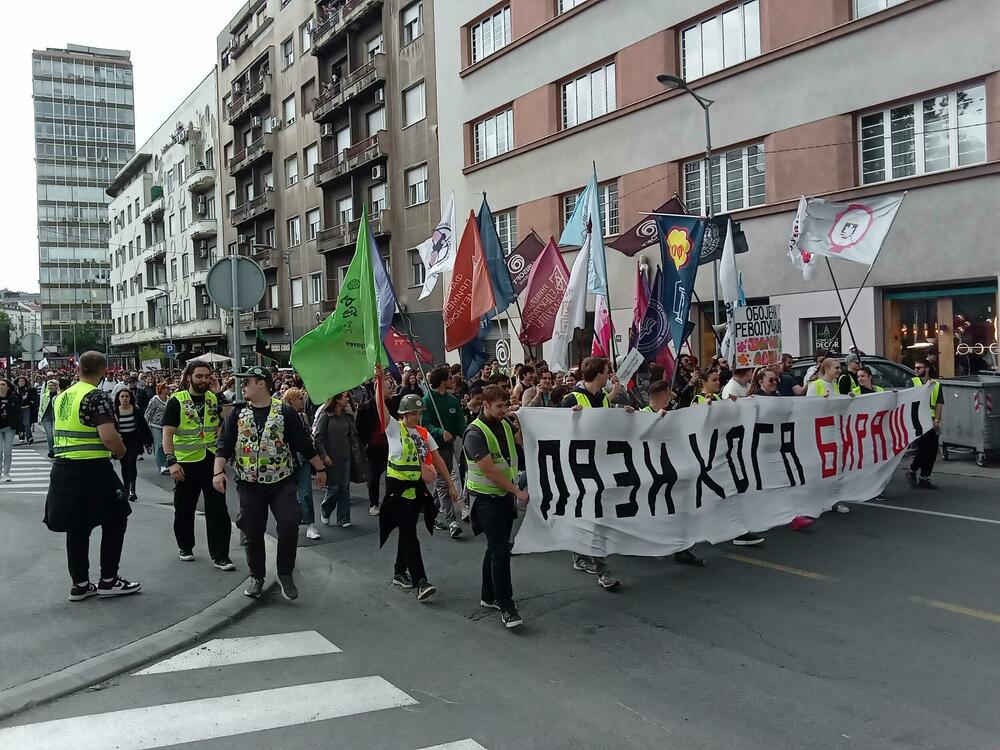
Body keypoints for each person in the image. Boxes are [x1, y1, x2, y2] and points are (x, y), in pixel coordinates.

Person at [214, 367, 326, 600]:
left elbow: (302, 443)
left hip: (281, 482)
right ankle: (257, 576)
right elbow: (224, 444)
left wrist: (320, 468)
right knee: (253, 532)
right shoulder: (237, 414)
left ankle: (285, 573)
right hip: (249, 484)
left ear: (261, 384)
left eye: (247, 382)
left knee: (288, 524)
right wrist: (218, 472)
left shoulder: (285, 412)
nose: (242, 386)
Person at [44, 351, 141, 601]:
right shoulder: (97, 397)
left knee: (77, 527)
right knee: (117, 517)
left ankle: (80, 584)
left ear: (78, 369)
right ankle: (109, 579)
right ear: (104, 371)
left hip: (63, 469)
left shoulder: (62, 396)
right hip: (92, 469)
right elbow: (108, 436)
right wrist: (121, 451)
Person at [375, 364, 458, 602]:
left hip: (417, 489)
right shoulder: (394, 429)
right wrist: (379, 382)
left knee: (407, 529)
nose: (416, 417)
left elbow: (439, 460)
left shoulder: (423, 433)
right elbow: (381, 407)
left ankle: (399, 571)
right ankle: (421, 580)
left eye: (419, 413)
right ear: (403, 414)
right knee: (410, 532)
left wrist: (451, 486)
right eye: (412, 413)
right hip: (397, 489)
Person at [465, 384, 528, 628]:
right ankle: (506, 604)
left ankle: (487, 595)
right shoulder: (474, 433)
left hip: (502, 497)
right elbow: (489, 471)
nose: (504, 410)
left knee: (494, 547)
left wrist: (521, 421)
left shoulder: (504, 424)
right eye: (500, 406)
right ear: (486, 404)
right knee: (501, 550)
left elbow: (521, 442)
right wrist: (518, 492)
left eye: (506, 405)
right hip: (485, 499)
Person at [560, 356, 625, 590]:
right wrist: (570, 419)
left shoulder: (602, 399)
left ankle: (583, 556)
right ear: (599, 374)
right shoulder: (572, 399)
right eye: (607, 371)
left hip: (601, 464)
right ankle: (602, 570)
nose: (609, 375)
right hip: (580, 467)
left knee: (595, 516)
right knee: (592, 515)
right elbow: (555, 430)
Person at [162, 360, 235, 570]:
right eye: (199, 376)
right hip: (186, 463)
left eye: (207, 376)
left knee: (218, 510)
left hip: (212, 461)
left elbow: (228, 418)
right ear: (189, 377)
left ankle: (220, 556)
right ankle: (185, 546)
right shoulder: (177, 400)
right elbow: (167, 434)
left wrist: (219, 393)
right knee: (184, 508)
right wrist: (171, 462)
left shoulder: (214, 399)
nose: (203, 380)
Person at [422, 365, 467, 539]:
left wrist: (468, 434)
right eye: (449, 378)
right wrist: (440, 432)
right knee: (443, 482)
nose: (452, 380)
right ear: (442, 381)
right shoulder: (427, 400)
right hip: (435, 448)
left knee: (441, 481)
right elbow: (424, 425)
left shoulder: (452, 400)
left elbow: (459, 423)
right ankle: (452, 521)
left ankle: (430, 512)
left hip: (450, 447)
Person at [806, 358, 851, 514]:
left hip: (833, 430)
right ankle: (816, 499)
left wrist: (848, 399)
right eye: (836, 368)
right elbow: (807, 409)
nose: (839, 370)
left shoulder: (834, 385)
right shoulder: (815, 386)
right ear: (826, 369)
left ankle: (834, 500)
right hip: (819, 433)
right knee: (820, 468)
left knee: (835, 467)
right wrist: (821, 401)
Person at [282, 388, 321, 541]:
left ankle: (310, 525)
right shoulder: (283, 416)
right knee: (288, 494)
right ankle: (293, 522)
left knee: (305, 492)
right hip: (288, 460)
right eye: (299, 398)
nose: (302, 401)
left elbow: (307, 437)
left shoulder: (303, 416)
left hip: (303, 459)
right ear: (291, 400)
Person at [313, 392, 356, 528]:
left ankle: (344, 518)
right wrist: (324, 455)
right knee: (334, 487)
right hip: (331, 457)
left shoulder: (347, 416)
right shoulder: (325, 416)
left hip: (346, 455)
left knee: (345, 487)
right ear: (337, 400)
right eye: (345, 397)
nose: (348, 399)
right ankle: (325, 509)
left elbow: (352, 435)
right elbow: (318, 438)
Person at [356, 378, 393, 517]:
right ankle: (373, 503)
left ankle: (389, 502)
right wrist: (365, 443)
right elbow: (359, 428)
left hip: (389, 445)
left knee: (391, 475)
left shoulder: (391, 404)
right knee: (374, 477)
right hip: (373, 447)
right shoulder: (365, 407)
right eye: (389, 387)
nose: (391, 390)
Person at [906, 359, 943, 490]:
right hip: (919, 421)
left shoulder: (936, 384)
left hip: (932, 421)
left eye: (919, 368)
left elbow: (939, 403)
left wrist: (937, 421)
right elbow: (907, 399)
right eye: (915, 368)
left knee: (932, 450)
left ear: (926, 369)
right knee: (924, 448)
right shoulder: (912, 382)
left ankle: (924, 477)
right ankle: (912, 469)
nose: (916, 370)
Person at [115, 388, 152, 502]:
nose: (125, 398)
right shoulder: (115, 412)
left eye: (127, 396)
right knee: (124, 465)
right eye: (122, 396)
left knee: (131, 464)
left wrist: (148, 443)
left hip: (134, 440)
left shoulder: (136, 410)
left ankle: (132, 490)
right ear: (118, 398)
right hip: (122, 441)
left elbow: (144, 427)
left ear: (130, 398)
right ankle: (125, 488)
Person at [144, 382, 171, 475]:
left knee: (167, 444)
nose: (168, 389)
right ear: (162, 389)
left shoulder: (169, 399)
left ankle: (168, 463)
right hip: (155, 425)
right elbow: (148, 414)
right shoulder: (154, 400)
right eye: (166, 388)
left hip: (166, 426)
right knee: (159, 444)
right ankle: (161, 465)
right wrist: (145, 427)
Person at [0, 378, 20, 482]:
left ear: (8, 387)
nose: (1, 386)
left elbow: (18, 413)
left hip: (9, 427)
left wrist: (20, 429)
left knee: (8, 451)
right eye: (0, 384)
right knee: (0, 451)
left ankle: (6, 473)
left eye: (3, 385)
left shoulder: (13, 398)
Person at [38, 379, 59, 458]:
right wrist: (39, 417)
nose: (50, 387)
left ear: (56, 386)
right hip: (46, 416)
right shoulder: (44, 396)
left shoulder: (59, 395)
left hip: (56, 417)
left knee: (55, 434)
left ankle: (57, 450)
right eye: (49, 385)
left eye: (52, 385)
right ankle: (51, 451)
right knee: (49, 435)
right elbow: (41, 406)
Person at [14, 376, 38, 444]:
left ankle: (29, 437)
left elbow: (33, 398)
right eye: (20, 381)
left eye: (23, 381)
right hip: (18, 409)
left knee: (26, 423)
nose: (22, 382)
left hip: (26, 408)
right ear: (18, 382)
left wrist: (30, 401)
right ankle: (21, 437)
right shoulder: (15, 390)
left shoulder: (29, 389)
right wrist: (21, 397)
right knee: (20, 423)